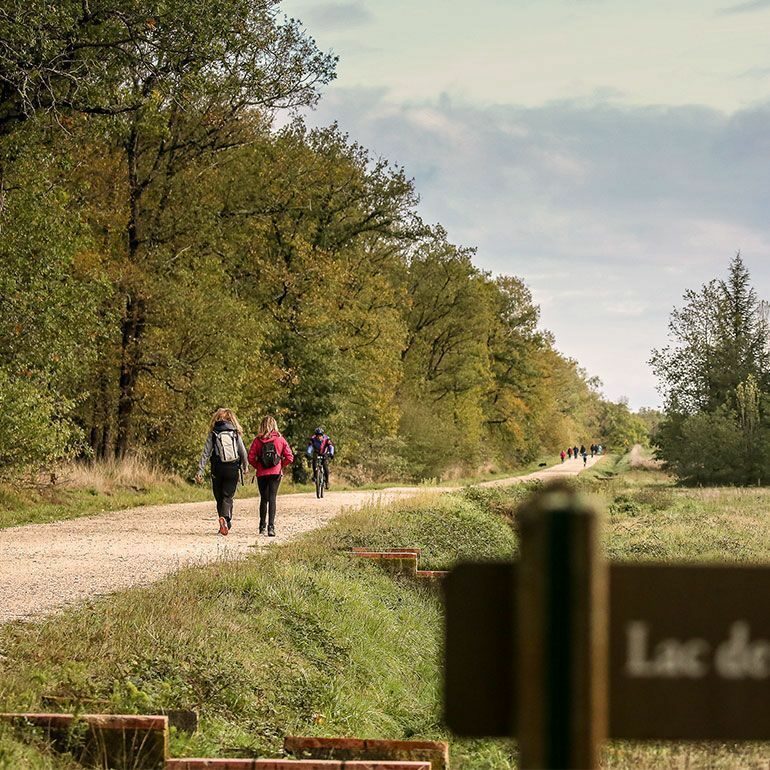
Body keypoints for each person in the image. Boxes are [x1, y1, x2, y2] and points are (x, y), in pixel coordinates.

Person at [195, 407, 248, 536]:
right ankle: (225, 519)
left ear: (216, 418)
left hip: (217, 468)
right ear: (231, 419)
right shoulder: (235, 432)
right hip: (232, 468)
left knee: (219, 497)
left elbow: (206, 453)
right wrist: (245, 466)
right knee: (228, 496)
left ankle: (223, 522)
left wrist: (200, 471)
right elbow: (242, 451)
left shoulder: (214, 432)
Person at [248, 415, 294, 537]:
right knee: (272, 498)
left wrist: (258, 466)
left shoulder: (257, 440)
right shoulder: (280, 439)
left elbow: (250, 457)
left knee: (264, 499)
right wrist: (280, 465)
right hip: (275, 473)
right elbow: (290, 457)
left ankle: (262, 526)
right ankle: (271, 527)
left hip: (261, 473)